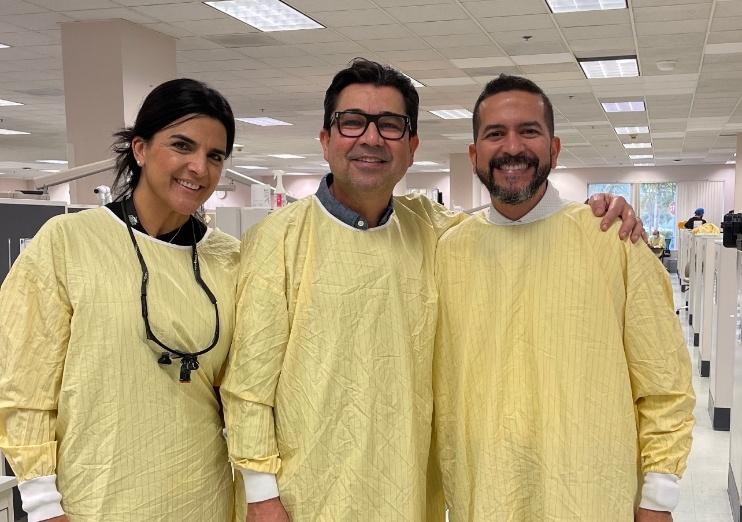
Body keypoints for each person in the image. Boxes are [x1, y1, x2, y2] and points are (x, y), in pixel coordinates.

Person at [221, 58, 646, 522]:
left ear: (411, 146)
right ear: (325, 140)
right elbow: (248, 386)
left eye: (389, 125)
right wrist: (261, 492)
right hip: (307, 494)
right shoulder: (278, 240)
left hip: (410, 494)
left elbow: (513, 226)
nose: (370, 138)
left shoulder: (431, 229)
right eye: (351, 123)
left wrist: (589, 215)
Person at [433, 74, 695, 521]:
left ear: (554, 149)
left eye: (528, 131)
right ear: (474, 155)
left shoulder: (614, 242)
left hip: (590, 495)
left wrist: (658, 497)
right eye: (495, 133)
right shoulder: (447, 250)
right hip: (483, 494)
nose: (511, 147)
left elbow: (665, 384)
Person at [0, 78, 244, 522]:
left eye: (214, 155)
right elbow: (24, 384)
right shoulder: (68, 242)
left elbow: (242, 386)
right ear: (140, 149)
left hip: (203, 496)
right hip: (96, 497)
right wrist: (40, 503)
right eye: (181, 146)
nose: (199, 167)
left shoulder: (228, 258)